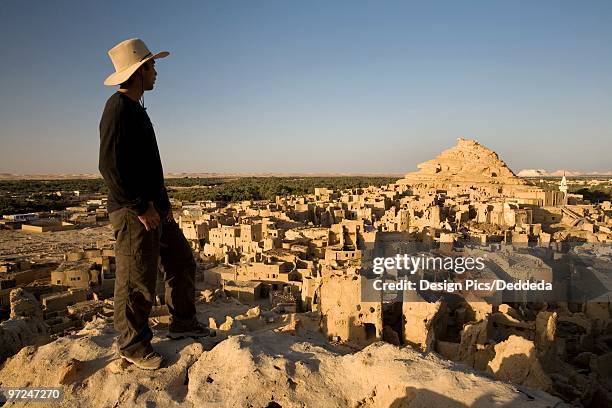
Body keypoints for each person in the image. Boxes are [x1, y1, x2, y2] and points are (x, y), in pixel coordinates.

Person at [99, 38, 210, 370]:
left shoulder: (135, 108)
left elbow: (146, 166)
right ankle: (132, 344)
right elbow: (110, 167)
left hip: (153, 208)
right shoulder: (117, 109)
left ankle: (183, 323)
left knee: (181, 260)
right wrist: (139, 206)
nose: (156, 72)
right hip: (133, 212)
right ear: (139, 71)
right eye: (152, 66)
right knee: (137, 277)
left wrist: (163, 203)